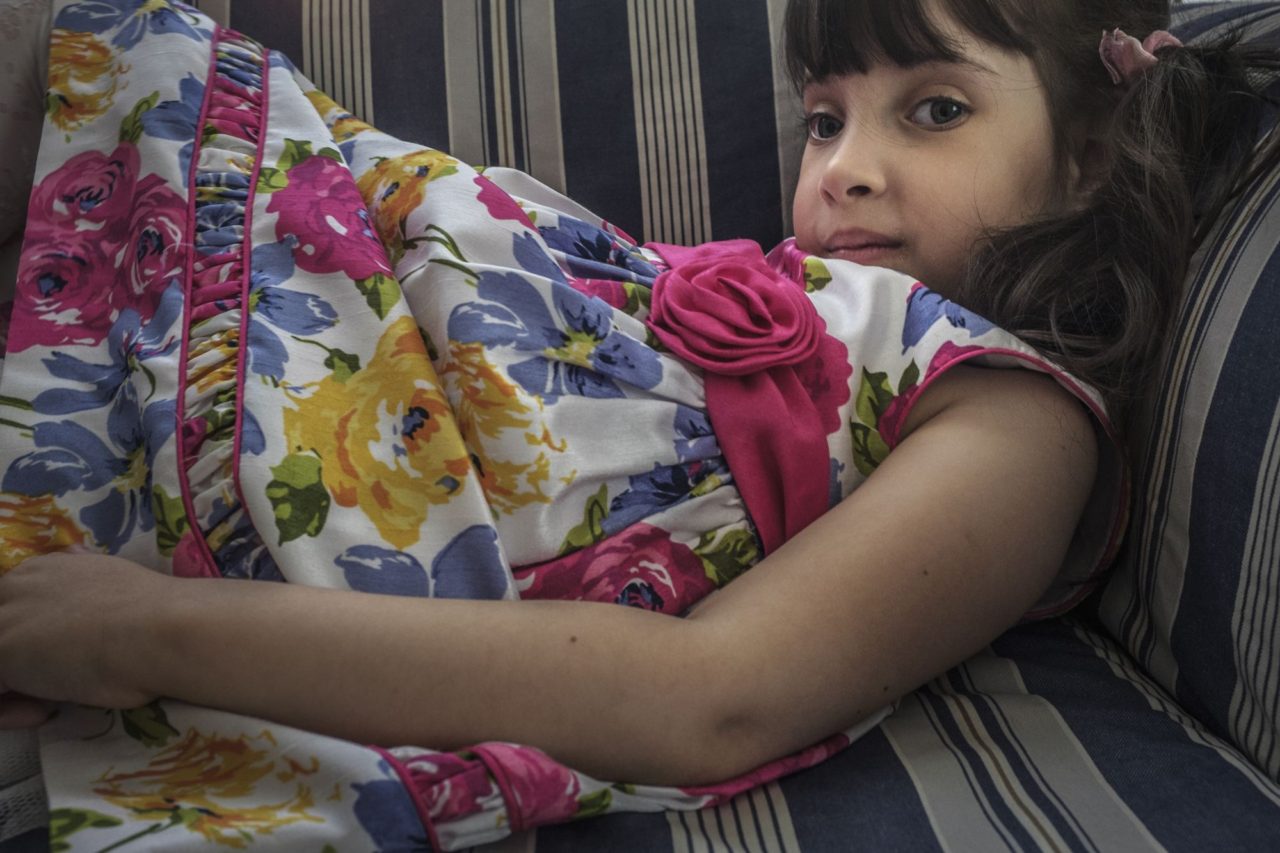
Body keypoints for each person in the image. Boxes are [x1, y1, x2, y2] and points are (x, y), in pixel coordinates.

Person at [0, 0, 1276, 846]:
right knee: (129, 66)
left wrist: (144, 631)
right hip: (317, 291)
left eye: (935, 109)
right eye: (823, 119)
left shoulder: (1016, 422)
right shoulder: (810, 284)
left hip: (336, 461)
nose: (841, 168)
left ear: (1090, 153)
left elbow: (711, 695)